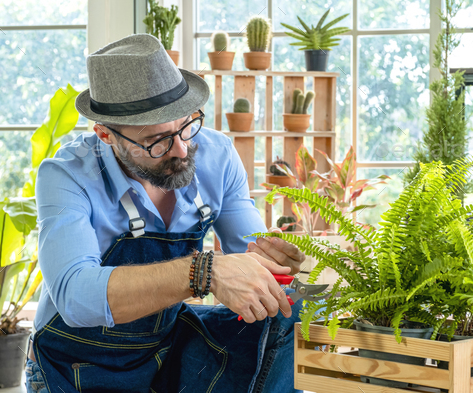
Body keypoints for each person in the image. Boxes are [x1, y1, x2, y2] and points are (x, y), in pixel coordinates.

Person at [24, 33, 306, 393]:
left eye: (186, 125)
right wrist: (203, 271)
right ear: (105, 134)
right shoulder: (66, 175)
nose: (181, 149)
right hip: (73, 366)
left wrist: (276, 261)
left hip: (167, 350)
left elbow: (251, 252)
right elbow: (75, 297)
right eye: (157, 141)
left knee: (287, 315)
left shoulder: (217, 156)